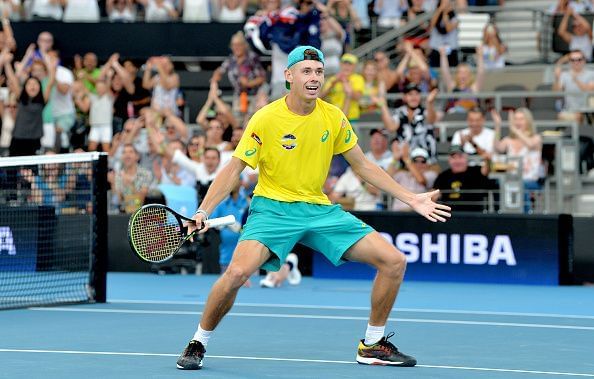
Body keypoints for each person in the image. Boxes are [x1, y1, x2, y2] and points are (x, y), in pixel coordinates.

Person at [176, 45, 451, 370]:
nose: (314, 77)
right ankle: (198, 341)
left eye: (319, 71)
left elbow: (363, 166)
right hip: (273, 209)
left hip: (319, 210)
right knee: (236, 273)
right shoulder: (265, 118)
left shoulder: (333, 117)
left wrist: (412, 197)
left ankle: (373, 344)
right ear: (289, 76)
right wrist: (204, 210)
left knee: (394, 261)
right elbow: (234, 169)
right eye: (306, 71)